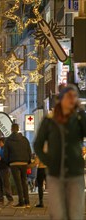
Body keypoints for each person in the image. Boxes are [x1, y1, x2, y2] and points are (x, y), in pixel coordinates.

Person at [34, 84, 86, 219]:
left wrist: (81, 111)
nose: (72, 99)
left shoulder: (78, 120)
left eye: (75, 97)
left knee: (75, 214)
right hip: (55, 173)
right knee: (58, 214)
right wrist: (48, 161)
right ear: (61, 99)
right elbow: (38, 144)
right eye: (69, 96)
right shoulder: (49, 121)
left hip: (76, 172)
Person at [4, 124, 32, 208]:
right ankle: (27, 202)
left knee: (18, 183)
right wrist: (28, 161)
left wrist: (7, 163)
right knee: (24, 182)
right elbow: (29, 151)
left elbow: (6, 154)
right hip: (24, 163)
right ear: (18, 129)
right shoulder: (24, 139)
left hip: (14, 163)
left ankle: (21, 202)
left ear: (11, 129)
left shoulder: (8, 140)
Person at [0, 138, 13, 206]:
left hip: (5, 168)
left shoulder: (5, 149)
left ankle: (10, 198)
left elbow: (7, 159)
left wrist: (1, 159)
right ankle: (0, 198)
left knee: (6, 184)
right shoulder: (0, 149)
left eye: (0, 142)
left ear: (3, 142)